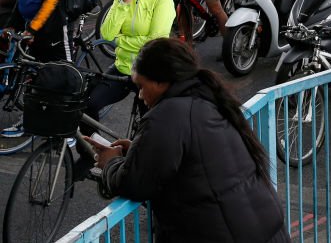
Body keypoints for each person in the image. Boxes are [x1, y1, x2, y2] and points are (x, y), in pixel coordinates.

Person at [90, 38, 291, 243]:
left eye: (142, 86)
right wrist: (138, 151)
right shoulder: (207, 99)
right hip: (265, 230)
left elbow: (135, 183)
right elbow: (194, 162)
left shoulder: (167, 114)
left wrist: (111, 162)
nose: (140, 95)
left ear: (161, 81)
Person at [83, 0, 175, 133]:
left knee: (149, 126)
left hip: (148, 72)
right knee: (87, 106)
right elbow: (107, 34)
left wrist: (120, 41)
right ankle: (93, 154)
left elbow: (154, 42)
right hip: (123, 67)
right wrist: (125, 1)